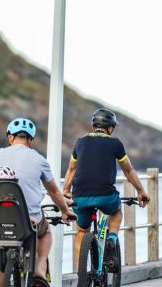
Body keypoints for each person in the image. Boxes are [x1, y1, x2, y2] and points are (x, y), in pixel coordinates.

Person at [0, 117, 75, 287]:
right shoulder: (38, 159)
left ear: (10, 138)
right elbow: (53, 191)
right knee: (44, 234)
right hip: (28, 222)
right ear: (30, 140)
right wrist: (66, 211)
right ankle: (39, 269)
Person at [62, 108, 149, 270]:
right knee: (116, 212)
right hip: (106, 196)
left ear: (93, 126)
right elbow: (128, 170)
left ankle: (83, 272)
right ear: (110, 128)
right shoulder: (115, 144)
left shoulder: (80, 142)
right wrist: (141, 191)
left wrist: (66, 190)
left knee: (81, 231)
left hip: (80, 196)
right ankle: (112, 238)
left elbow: (72, 169)